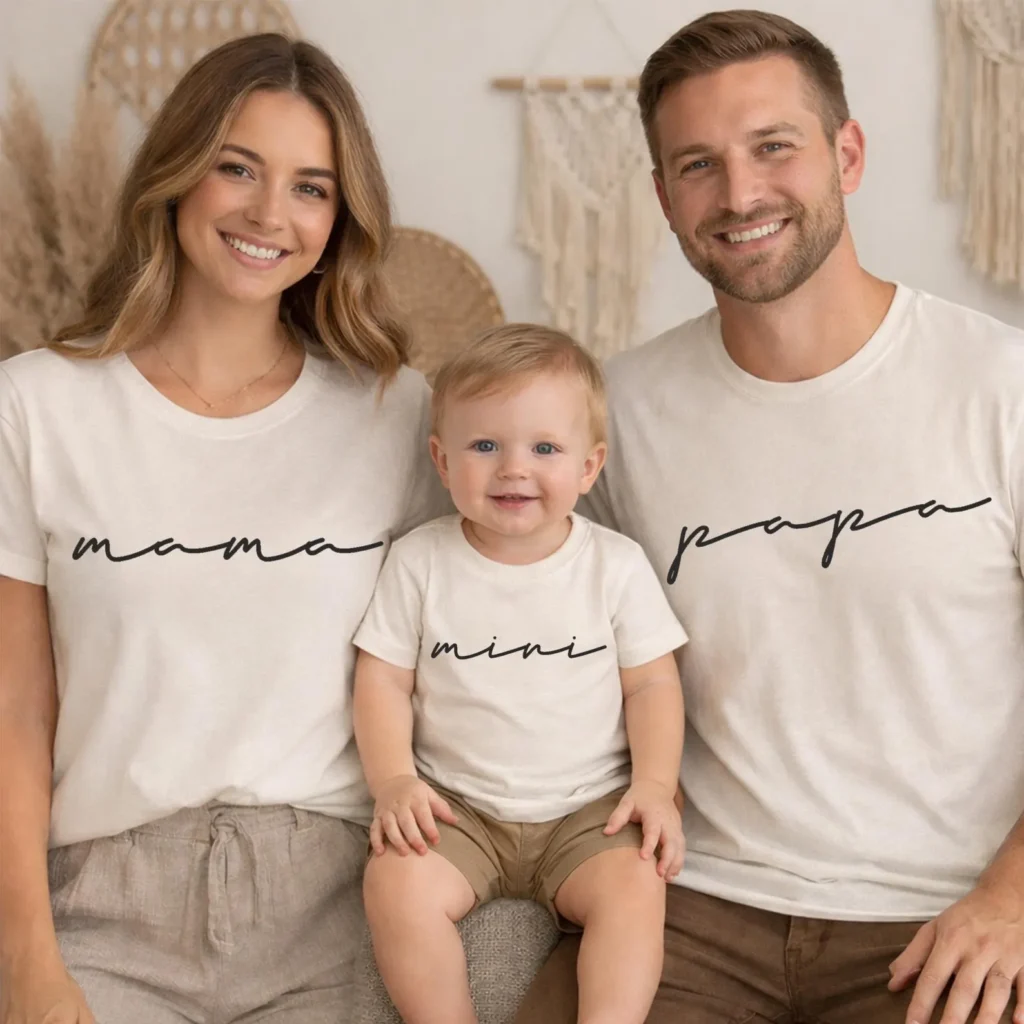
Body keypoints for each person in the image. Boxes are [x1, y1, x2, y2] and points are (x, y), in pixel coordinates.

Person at [514, 9, 1024, 1024]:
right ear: (661, 197)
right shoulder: (618, 414)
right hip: (692, 907)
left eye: (772, 148)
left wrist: (1011, 900)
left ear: (847, 153)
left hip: (938, 915)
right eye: (696, 165)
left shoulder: (1000, 385)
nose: (739, 194)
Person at [0, 33, 446, 1024]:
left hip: (332, 903)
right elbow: (15, 710)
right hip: (105, 905)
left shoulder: (396, 413)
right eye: (235, 168)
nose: (267, 214)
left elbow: (448, 664)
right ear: (176, 175)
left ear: (339, 218)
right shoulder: (36, 405)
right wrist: (28, 954)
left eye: (310, 187)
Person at [351, 323, 689, 1024]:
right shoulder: (421, 562)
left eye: (544, 449)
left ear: (589, 467)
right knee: (395, 884)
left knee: (636, 883)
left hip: (587, 811)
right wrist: (393, 782)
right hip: (459, 808)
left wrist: (655, 786)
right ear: (442, 462)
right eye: (484, 446)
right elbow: (383, 680)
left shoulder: (614, 566)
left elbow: (653, 684)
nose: (513, 469)